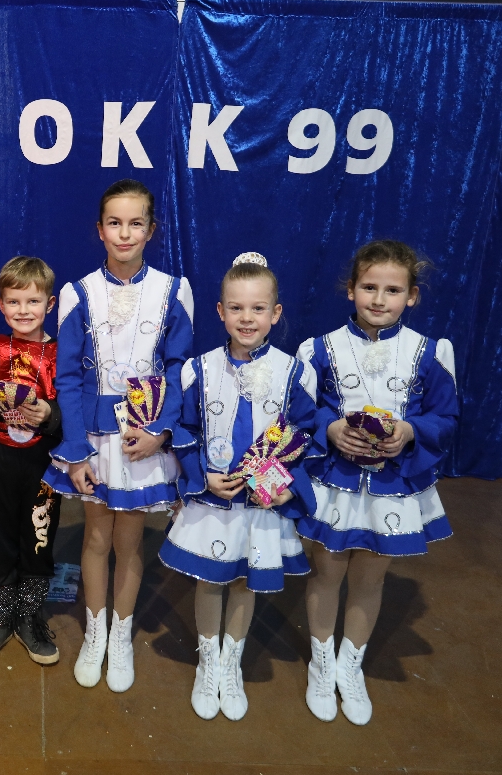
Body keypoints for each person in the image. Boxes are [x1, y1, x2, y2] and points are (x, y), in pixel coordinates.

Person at [296, 239, 458, 726]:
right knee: (327, 573)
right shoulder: (319, 349)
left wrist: (409, 430)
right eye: (369, 287)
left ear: (412, 296)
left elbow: (446, 416)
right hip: (335, 481)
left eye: (393, 290)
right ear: (350, 289)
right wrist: (330, 428)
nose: (379, 299)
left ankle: (350, 665)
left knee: (370, 578)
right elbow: (299, 410)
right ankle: (321, 664)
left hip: (393, 485)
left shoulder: (430, 352)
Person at [43, 179, 194, 693]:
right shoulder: (79, 292)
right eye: (114, 223)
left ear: (151, 230)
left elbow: (177, 368)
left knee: (129, 541)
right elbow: (67, 376)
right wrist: (75, 450)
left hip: (143, 437)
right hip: (94, 439)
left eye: (135, 223)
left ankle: (121, 634)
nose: (124, 233)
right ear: (99, 230)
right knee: (95, 537)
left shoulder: (173, 290)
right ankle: (96, 632)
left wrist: (160, 431)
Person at [158, 253, 320, 721]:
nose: (246, 318)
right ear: (220, 311)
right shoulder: (199, 370)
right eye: (236, 307)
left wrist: (287, 485)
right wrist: (201, 475)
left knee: (247, 581)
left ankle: (231, 662)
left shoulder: (295, 372)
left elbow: (306, 435)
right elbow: (185, 431)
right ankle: (208, 661)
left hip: (262, 506)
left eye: (257, 308)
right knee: (211, 581)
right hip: (215, 500)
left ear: (276, 313)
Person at [0, 256, 62, 666]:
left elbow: (70, 407)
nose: (23, 310)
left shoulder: (60, 353)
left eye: (32, 301)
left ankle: (29, 616)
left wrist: (50, 415)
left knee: (39, 535)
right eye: (14, 302)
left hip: (43, 464)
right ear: (1, 305)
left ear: (49, 304)